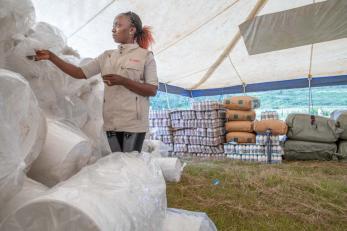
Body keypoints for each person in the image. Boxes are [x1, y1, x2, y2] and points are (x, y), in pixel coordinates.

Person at [34, 11, 158, 153]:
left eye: (118, 25)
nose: (113, 29)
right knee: (119, 165)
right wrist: (52, 57)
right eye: (113, 25)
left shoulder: (145, 56)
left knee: (130, 164)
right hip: (111, 124)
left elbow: (152, 90)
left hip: (133, 124)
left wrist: (124, 81)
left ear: (131, 30)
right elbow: (79, 72)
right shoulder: (107, 56)